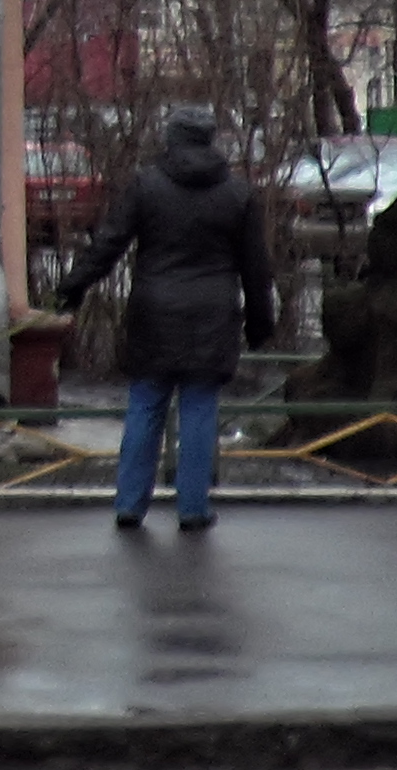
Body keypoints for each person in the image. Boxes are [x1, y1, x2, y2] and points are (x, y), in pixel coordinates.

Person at [48, 107, 277, 531]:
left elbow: (109, 243)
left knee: (145, 405)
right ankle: (192, 508)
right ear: (210, 140)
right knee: (199, 408)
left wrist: (73, 288)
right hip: (212, 312)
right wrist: (261, 324)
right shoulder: (238, 194)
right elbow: (256, 268)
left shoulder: (146, 185)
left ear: (170, 139)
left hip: (154, 310)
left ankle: (130, 504)